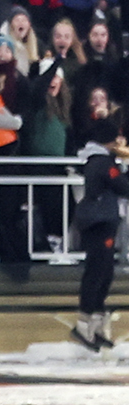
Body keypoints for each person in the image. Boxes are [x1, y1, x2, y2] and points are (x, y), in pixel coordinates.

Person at [73, 125, 129, 349]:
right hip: (100, 222)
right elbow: (123, 186)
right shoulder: (102, 163)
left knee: (103, 272)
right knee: (98, 271)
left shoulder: (99, 161)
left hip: (102, 221)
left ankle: (95, 323)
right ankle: (84, 323)